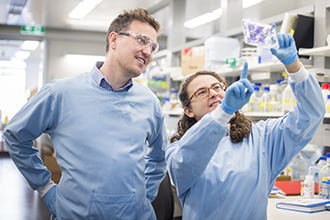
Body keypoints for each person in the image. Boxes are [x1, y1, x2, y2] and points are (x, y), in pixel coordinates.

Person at [4, 8, 168, 219]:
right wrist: (44, 187)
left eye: (153, 46)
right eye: (142, 40)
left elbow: (159, 156)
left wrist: (147, 194)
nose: (148, 51)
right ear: (114, 40)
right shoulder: (59, 93)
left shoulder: (149, 101)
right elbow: (15, 135)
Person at [165, 32, 326, 219]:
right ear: (188, 111)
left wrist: (294, 65)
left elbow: (311, 113)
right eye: (201, 92)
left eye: (217, 87)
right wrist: (223, 112)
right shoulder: (177, 150)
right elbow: (187, 161)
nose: (213, 94)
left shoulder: (261, 138)